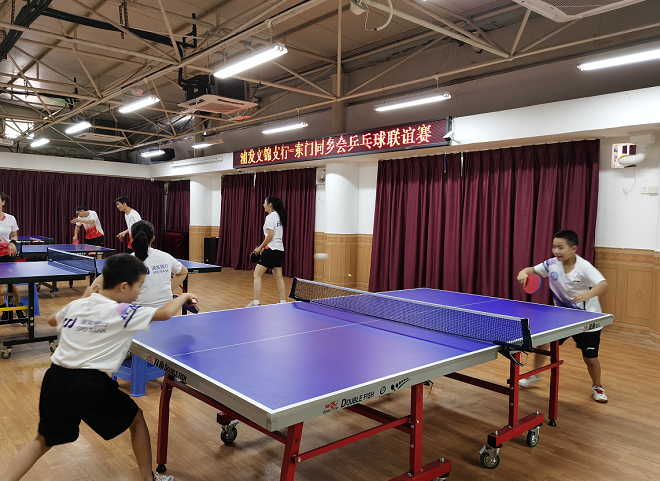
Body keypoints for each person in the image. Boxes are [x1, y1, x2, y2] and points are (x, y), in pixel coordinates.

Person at [0, 254, 196, 481]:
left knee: (42, 440)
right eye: (139, 285)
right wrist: (184, 295)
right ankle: (147, 478)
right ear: (124, 286)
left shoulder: (79, 304)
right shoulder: (123, 311)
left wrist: (83, 297)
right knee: (136, 418)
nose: (140, 292)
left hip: (55, 378)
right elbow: (165, 313)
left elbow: (53, 320)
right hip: (88, 383)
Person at [517, 229, 609, 403]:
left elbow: (603, 284)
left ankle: (597, 386)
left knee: (590, 358)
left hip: (588, 318)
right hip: (562, 317)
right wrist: (524, 272)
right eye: (554, 247)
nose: (556, 251)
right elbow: (532, 270)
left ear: (573, 249)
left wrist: (587, 295)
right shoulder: (551, 264)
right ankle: (534, 374)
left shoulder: (584, 267)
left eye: (561, 247)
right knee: (543, 342)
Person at [94, 220, 188, 308]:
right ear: (153, 239)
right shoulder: (166, 256)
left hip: (139, 313)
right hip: (166, 311)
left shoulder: (127, 260)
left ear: (131, 238)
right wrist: (168, 290)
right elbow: (183, 272)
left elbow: (96, 284)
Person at [246, 196, 287, 307]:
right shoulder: (278, 216)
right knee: (279, 276)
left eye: (264, 203)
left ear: (270, 204)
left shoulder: (269, 217)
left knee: (257, 274)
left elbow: (270, 236)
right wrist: (265, 247)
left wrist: (260, 247)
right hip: (279, 249)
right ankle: (283, 302)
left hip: (272, 249)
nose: (263, 205)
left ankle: (256, 303)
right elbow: (275, 236)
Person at [0, 191, 26, 322]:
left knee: (12, 284)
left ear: (3, 202)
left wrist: (12, 242)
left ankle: (19, 310)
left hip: (7, 255)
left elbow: (14, 235)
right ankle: (4, 310)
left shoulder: (11, 218)